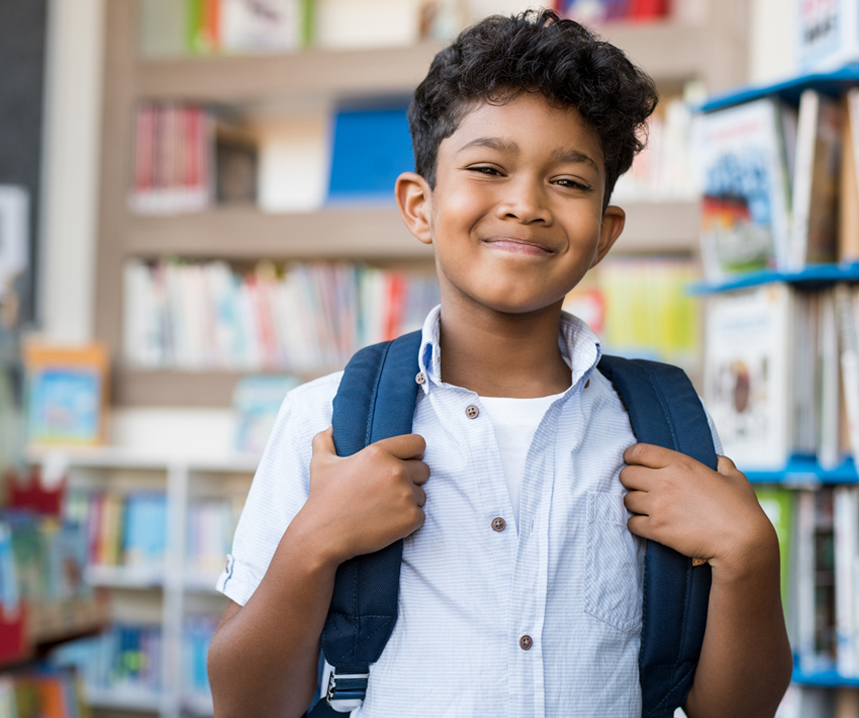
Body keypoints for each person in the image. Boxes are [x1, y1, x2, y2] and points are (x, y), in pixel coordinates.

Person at [206, 10, 792, 718]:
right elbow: (244, 703)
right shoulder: (325, 423)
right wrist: (312, 544)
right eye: (488, 168)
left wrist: (751, 556)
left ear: (604, 233)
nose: (525, 205)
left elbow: (735, 710)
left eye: (569, 182)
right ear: (419, 207)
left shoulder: (664, 431)